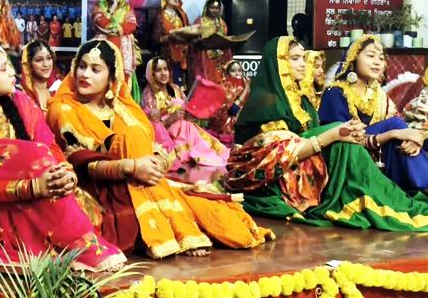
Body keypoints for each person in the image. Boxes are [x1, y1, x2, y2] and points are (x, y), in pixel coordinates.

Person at [48, 40, 274, 259]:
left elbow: (155, 148)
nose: (85, 74)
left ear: (111, 77)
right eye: (82, 66)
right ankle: (175, 232)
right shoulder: (64, 109)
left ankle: (175, 230)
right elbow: (77, 162)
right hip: (101, 187)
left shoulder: (124, 109)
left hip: (146, 180)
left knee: (214, 212)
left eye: (95, 69)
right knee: (132, 139)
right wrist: (131, 167)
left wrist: (157, 162)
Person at [0, 34, 126, 272]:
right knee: (37, 164)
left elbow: (50, 147)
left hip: (39, 186)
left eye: (10, 67)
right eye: (3, 69)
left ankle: (77, 244)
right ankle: (84, 249)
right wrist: (34, 187)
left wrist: (66, 174)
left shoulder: (20, 101)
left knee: (84, 207)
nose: (12, 73)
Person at [226, 36, 428, 231]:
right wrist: (345, 134)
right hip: (281, 173)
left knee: (394, 131)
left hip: (343, 159)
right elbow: (280, 149)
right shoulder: (276, 100)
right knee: (361, 139)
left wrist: (404, 136)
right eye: (294, 59)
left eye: (381, 57)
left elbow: (330, 134)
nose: (303, 64)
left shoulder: (306, 100)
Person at [318, 35, 428, 214]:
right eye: (370, 56)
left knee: (400, 132)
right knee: (395, 125)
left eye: (381, 58)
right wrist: (391, 134)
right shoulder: (335, 93)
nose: (377, 62)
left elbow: (403, 131)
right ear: (353, 59)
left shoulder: (380, 96)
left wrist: (413, 140)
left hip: (381, 158)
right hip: (348, 163)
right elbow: (341, 140)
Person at [141, 56, 229, 183]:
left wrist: (188, 114)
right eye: (158, 70)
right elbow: (153, 128)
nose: (163, 73)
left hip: (187, 130)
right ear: (151, 74)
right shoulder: (148, 95)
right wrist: (172, 118)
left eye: (165, 69)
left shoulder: (176, 89)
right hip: (167, 138)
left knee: (211, 149)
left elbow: (187, 112)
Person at [91, 0, 139, 85]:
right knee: (104, 75)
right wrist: (113, 7)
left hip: (123, 46)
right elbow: (101, 22)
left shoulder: (126, 7)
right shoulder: (100, 5)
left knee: (122, 80)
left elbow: (132, 25)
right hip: (104, 44)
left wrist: (114, 29)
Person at [153, 0, 193, 88]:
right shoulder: (161, 16)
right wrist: (170, 37)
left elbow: (189, 29)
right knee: (170, 83)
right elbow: (156, 38)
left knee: (182, 85)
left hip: (182, 54)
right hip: (168, 54)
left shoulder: (181, 15)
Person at [190, 0, 232, 84]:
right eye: (212, 7)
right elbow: (193, 40)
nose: (214, 10)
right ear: (207, 8)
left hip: (220, 58)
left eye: (217, 8)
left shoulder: (222, 23)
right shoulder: (200, 21)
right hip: (204, 57)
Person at [208, 60, 250, 144]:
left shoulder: (244, 86)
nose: (237, 73)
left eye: (239, 70)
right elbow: (233, 111)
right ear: (227, 74)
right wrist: (247, 88)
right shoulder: (225, 88)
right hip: (227, 127)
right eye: (233, 71)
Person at [20, 40, 60, 113]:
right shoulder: (22, 93)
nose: (46, 64)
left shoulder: (59, 88)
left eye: (49, 58)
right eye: (39, 60)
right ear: (29, 64)